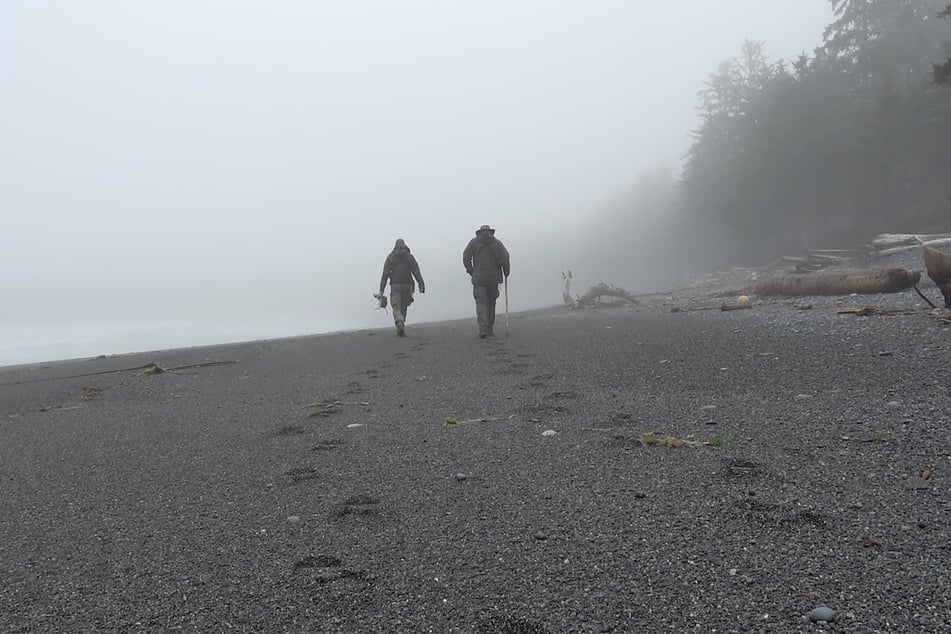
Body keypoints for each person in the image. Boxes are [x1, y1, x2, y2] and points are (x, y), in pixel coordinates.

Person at [462, 225, 510, 338]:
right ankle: (490, 329)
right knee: (491, 303)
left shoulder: (473, 243)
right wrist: (506, 272)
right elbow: (505, 258)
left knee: (481, 304)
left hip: (479, 278)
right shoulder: (497, 243)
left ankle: (483, 329)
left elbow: (465, 257)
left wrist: (471, 271)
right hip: (494, 279)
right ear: (490, 232)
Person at [379, 239, 425, 337]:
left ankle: (399, 321)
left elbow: (385, 274)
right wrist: (421, 284)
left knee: (396, 306)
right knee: (404, 306)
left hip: (395, 285)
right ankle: (402, 322)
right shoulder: (409, 257)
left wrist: (381, 289)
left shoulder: (390, 257)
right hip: (407, 285)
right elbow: (416, 271)